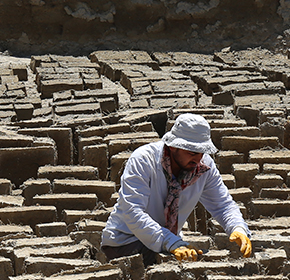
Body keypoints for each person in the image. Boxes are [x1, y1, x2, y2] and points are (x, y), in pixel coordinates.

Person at [102, 113, 252, 266]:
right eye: (192, 152)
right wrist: (171, 242)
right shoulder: (143, 160)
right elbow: (132, 211)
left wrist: (237, 227)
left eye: (202, 152)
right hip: (126, 240)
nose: (198, 159)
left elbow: (223, 205)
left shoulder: (203, 166)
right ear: (173, 146)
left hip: (169, 241)